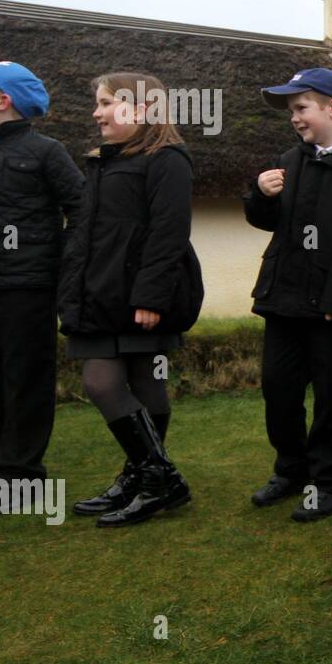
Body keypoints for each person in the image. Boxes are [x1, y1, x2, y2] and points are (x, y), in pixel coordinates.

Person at [245, 68, 332, 522]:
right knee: (278, 388)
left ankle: (331, 483)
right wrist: (260, 195)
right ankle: (291, 470)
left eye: (301, 107)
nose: (294, 117)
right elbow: (271, 223)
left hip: (331, 308)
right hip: (283, 299)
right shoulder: (292, 159)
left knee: (331, 395)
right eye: (291, 111)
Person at [60, 71, 204, 526]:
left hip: (143, 295)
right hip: (103, 294)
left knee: (120, 384)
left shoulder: (168, 160)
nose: (96, 113)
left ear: (139, 110)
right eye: (97, 104)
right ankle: (145, 477)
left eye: (105, 104)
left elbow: (168, 233)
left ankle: (156, 479)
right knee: (114, 381)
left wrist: (151, 297)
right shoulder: (102, 162)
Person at [0, 51, 82, 499]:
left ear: (2, 102)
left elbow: (82, 210)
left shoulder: (46, 152)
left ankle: (22, 476)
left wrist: (59, 260)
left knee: (25, 379)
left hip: (27, 289)